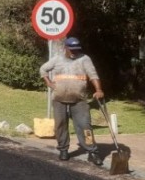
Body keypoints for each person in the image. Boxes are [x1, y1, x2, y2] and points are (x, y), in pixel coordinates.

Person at [39, 37, 104, 165]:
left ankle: (92, 151)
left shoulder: (84, 59)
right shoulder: (57, 59)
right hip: (59, 98)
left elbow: (93, 75)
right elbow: (43, 69)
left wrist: (99, 89)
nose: (74, 52)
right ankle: (63, 150)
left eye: (76, 50)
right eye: (71, 50)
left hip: (79, 99)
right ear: (66, 48)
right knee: (61, 125)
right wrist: (50, 83)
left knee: (85, 126)